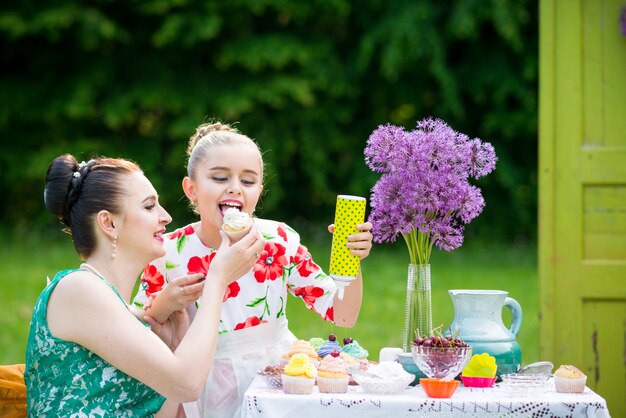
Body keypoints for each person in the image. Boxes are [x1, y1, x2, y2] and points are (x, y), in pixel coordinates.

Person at [133, 122, 373, 418]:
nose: (234, 187)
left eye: (248, 181)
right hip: (200, 384)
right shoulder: (166, 252)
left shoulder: (279, 240)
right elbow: (138, 333)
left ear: (260, 191)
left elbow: (343, 315)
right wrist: (166, 303)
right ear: (191, 189)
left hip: (274, 379)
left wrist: (352, 260)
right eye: (220, 177)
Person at [25, 154, 265, 417]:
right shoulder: (78, 289)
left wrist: (172, 347)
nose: (166, 217)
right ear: (109, 223)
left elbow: (163, 409)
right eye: (150, 206)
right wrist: (217, 281)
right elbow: (188, 385)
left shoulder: (123, 311)